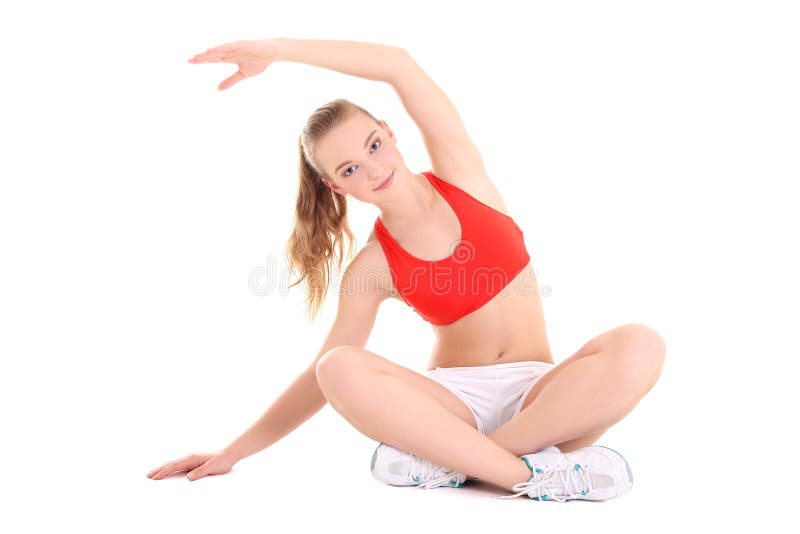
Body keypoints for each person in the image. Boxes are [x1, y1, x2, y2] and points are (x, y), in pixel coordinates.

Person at [147, 37, 666, 502]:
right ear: (336, 187)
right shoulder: (373, 267)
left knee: (641, 343)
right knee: (338, 366)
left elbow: (398, 64)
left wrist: (279, 51)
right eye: (349, 169)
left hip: (542, 398)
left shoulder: (463, 176)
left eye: (373, 145)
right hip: (451, 406)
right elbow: (320, 380)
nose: (372, 168)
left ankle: (460, 463)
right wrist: (233, 452)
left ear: (390, 133)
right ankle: (529, 477)